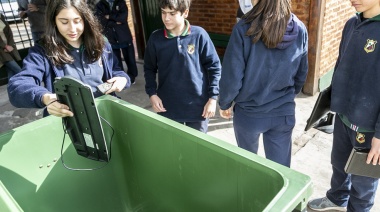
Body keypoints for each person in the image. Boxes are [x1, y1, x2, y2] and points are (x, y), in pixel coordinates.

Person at [307, 1, 380, 211]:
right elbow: (341, 65)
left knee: (364, 180)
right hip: (343, 115)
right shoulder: (351, 23)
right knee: (339, 164)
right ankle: (336, 199)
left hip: (368, 127)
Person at [218, 0, 308, 167]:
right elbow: (301, 74)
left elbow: (232, 76)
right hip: (283, 113)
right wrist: (286, 98)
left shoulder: (244, 28)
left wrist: (225, 103)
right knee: (281, 172)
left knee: (248, 168)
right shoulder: (300, 28)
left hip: (249, 114)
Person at [8, 0, 130, 118]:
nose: (72, 29)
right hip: (69, 119)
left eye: (77, 21)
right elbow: (18, 86)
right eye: (64, 22)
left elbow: (115, 70)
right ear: (54, 21)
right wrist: (44, 97)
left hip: (105, 112)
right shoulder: (43, 51)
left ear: (86, 20)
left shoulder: (101, 43)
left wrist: (122, 79)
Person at [144, 0, 221, 133]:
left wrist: (213, 98)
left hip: (198, 107)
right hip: (168, 107)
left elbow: (214, 67)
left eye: (172, 13)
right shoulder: (155, 38)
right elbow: (149, 68)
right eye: (163, 13)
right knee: (173, 149)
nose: (166, 18)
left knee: (198, 150)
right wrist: (152, 94)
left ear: (185, 13)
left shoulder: (199, 35)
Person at [95, 0, 138, 84]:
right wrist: (116, 21)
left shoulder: (121, 2)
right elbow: (100, 21)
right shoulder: (100, 5)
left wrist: (109, 17)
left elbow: (123, 18)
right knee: (116, 60)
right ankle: (121, 78)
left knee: (130, 58)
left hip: (124, 35)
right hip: (111, 37)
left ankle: (132, 77)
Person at [0, 13, 22, 79]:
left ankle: (11, 88)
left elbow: (9, 31)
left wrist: (10, 44)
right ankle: (30, 84)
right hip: (2, 50)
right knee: (18, 70)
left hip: (9, 47)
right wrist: (5, 46)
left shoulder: (1, 16)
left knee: (11, 72)